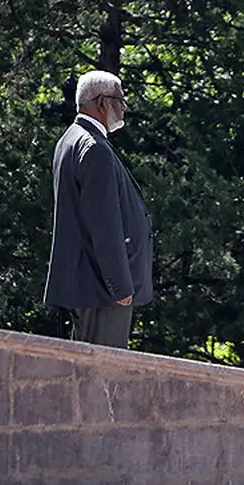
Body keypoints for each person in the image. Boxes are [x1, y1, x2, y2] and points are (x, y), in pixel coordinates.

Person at [44, 70, 153, 348]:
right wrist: (119, 286)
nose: (124, 107)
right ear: (101, 102)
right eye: (119, 99)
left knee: (84, 372)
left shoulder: (70, 139)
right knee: (102, 376)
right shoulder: (95, 149)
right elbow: (104, 224)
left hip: (87, 284)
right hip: (101, 289)